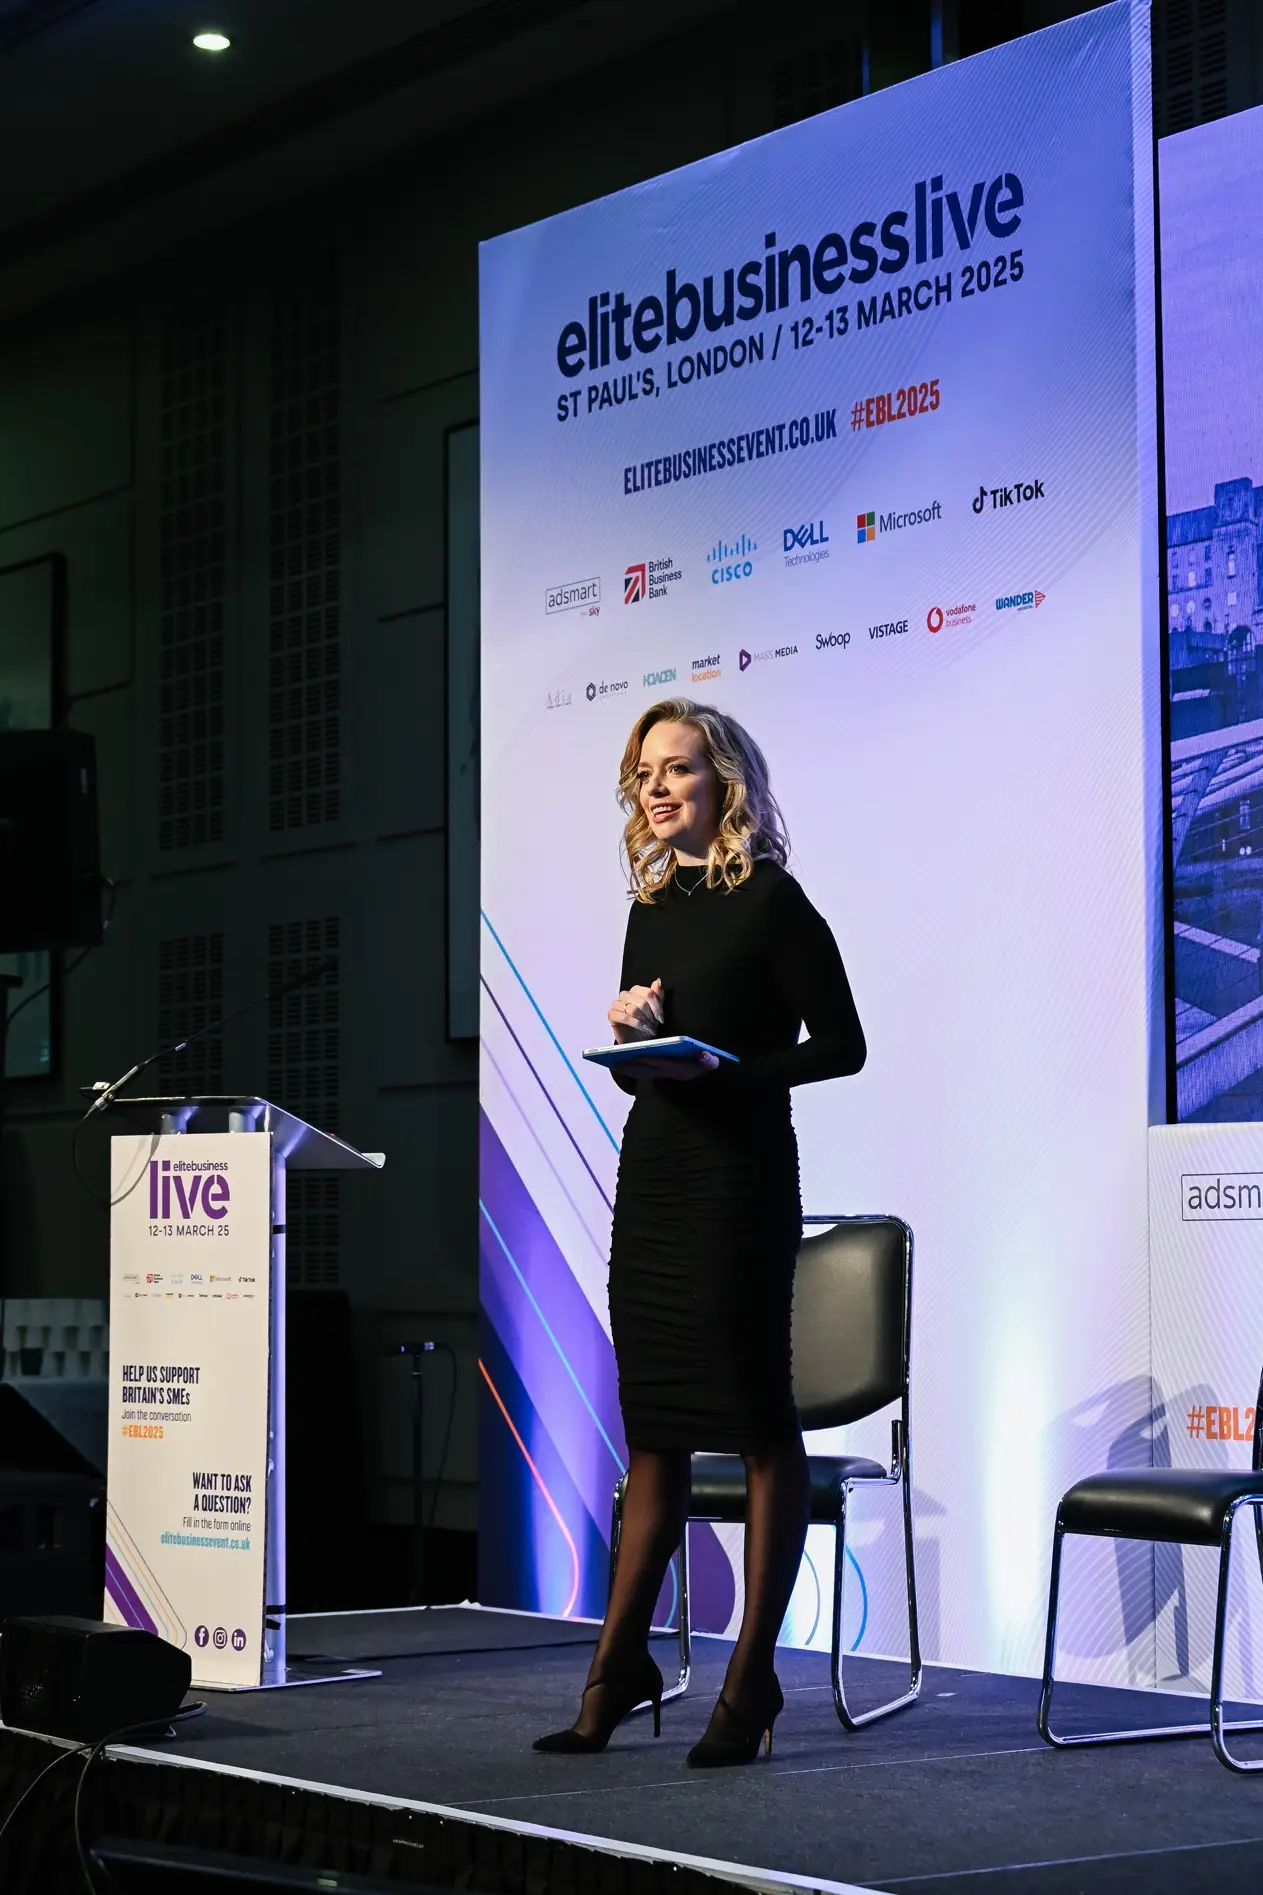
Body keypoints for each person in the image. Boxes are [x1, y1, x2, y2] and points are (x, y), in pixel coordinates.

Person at [534, 697, 866, 1767]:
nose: (657, 787)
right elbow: (656, 1057)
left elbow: (843, 1044)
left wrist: (729, 1070)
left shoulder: (772, 899)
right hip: (658, 1173)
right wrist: (636, 1034)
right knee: (654, 1428)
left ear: (726, 780)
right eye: (644, 773)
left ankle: (750, 1677)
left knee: (760, 1422)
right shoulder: (652, 902)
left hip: (738, 1176)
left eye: (677, 768)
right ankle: (614, 1667)